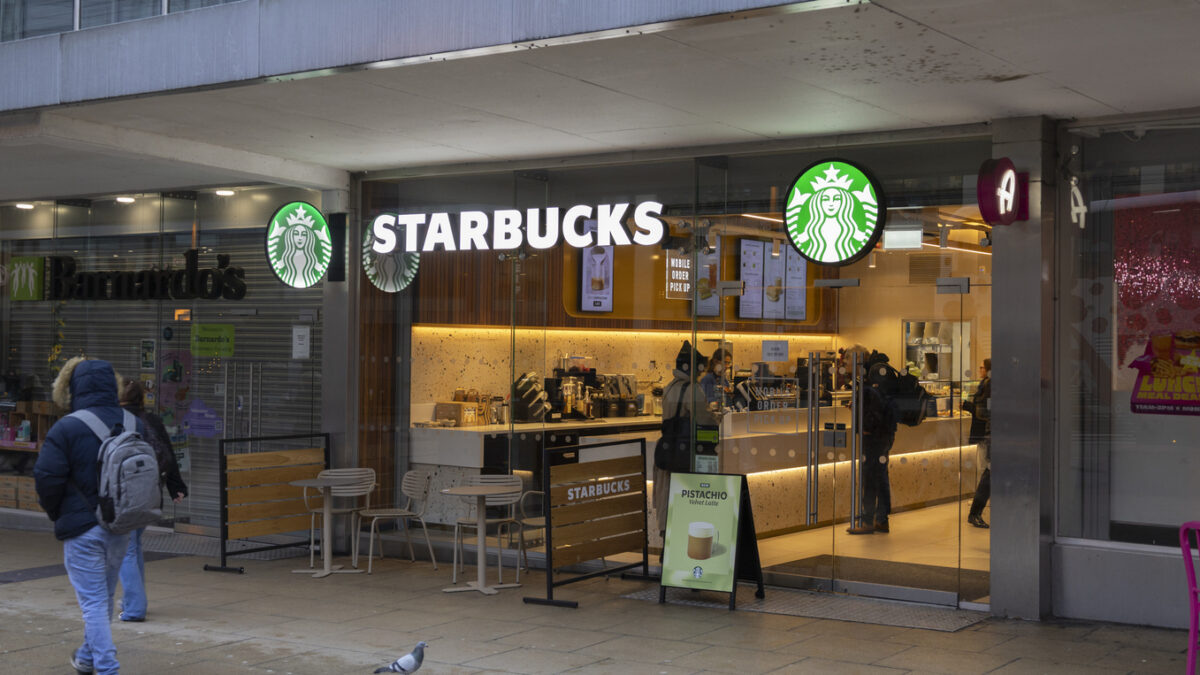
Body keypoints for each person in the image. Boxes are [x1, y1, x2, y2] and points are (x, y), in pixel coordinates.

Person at [34, 357, 147, 675]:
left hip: (82, 528)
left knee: (94, 603)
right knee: (104, 598)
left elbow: (46, 477)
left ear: (73, 388)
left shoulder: (67, 427)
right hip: (120, 525)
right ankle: (86, 657)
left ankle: (107, 667)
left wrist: (58, 514)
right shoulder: (132, 422)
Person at [116, 377, 187, 622]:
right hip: (150, 494)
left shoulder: (117, 421)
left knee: (126, 549)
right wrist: (176, 487)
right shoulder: (152, 420)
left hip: (125, 495)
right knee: (133, 547)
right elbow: (168, 453)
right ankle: (131, 600)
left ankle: (134, 607)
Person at [653, 341, 717, 541]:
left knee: (667, 498)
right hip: (684, 452)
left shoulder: (670, 386)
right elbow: (704, 419)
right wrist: (719, 417)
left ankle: (667, 544)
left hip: (668, 449)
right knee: (683, 498)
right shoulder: (692, 389)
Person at [845, 346, 898, 535]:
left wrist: (866, 426)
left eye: (846, 360)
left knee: (870, 476)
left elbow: (874, 405)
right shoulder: (873, 375)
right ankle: (882, 519)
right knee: (880, 475)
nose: (844, 363)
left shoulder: (869, 377)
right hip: (884, 434)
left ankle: (867, 521)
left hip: (875, 436)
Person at [963, 358, 992, 529]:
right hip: (992, 434)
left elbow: (983, 411)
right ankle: (975, 512)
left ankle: (975, 512)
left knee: (988, 472)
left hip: (989, 433)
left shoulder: (988, 384)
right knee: (988, 472)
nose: (979, 369)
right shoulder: (988, 385)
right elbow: (985, 411)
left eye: (982, 367)